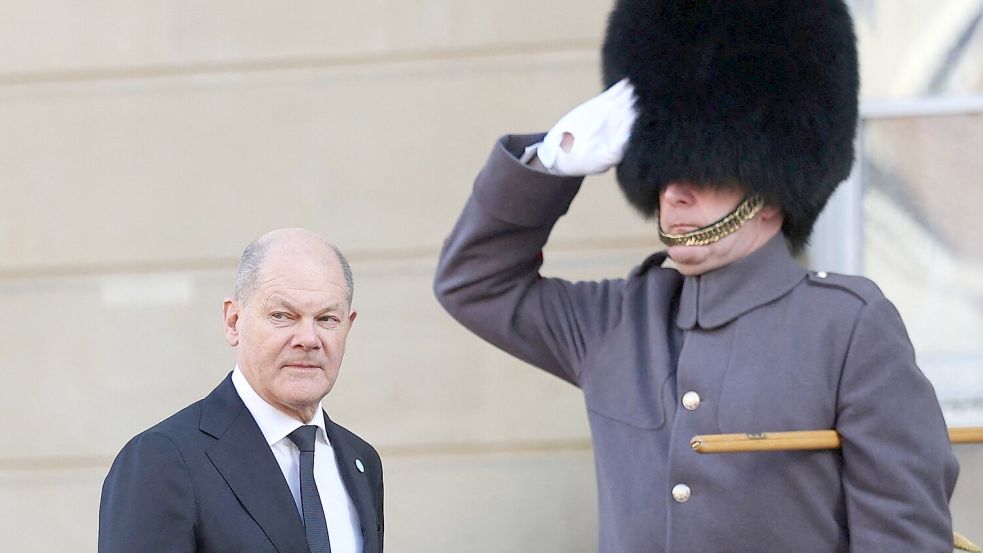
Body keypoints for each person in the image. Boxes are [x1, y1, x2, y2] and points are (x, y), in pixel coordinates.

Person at [434, 1, 958, 552]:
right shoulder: (616, 324)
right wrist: (549, 164)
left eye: (703, 171)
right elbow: (472, 282)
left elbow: (903, 536)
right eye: (661, 170)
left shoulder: (846, 328)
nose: (673, 192)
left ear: (768, 192)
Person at [99, 228, 383, 553]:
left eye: (327, 318)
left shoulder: (361, 462)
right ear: (234, 321)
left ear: (348, 326)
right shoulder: (164, 459)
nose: (308, 338)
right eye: (282, 316)